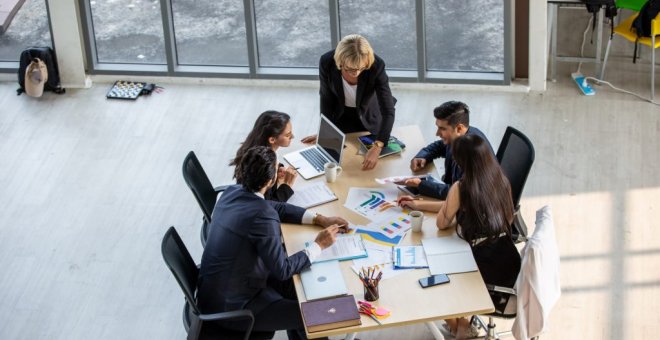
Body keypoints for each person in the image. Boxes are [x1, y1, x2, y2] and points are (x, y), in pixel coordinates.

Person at [199, 146, 348, 340]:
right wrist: (318, 245)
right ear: (270, 181)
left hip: (215, 293)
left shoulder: (230, 193)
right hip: (237, 308)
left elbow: (276, 206)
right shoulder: (262, 217)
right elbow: (283, 270)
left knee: (302, 288)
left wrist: (319, 219)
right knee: (317, 314)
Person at [398, 134, 521, 339]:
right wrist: (418, 204)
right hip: (509, 262)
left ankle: (460, 324)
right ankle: (460, 326)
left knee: (428, 270)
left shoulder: (462, 187)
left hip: (482, 270)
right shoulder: (502, 180)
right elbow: (507, 219)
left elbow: (442, 221)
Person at [301, 34, 396, 171]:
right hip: (341, 115)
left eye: (361, 68)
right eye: (350, 69)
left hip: (370, 116)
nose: (356, 73)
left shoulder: (376, 65)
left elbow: (388, 110)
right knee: (340, 162)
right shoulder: (327, 62)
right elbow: (326, 98)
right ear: (340, 61)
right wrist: (326, 132)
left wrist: (377, 147)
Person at [399, 101, 493, 200]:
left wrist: (421, 185)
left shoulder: (472, 153)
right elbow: (440, 146)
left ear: (459, 128)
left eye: (442, 128)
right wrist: (423, 156)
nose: (437, 133)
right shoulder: (459, 137)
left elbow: (459, 194)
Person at [231, 110, 298, 202]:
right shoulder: (260, 167)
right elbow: (267, 205)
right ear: (272, 139)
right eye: (288, 135)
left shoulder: (254, 153)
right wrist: (287, 186)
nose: (293, 137)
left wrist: (277, 168)